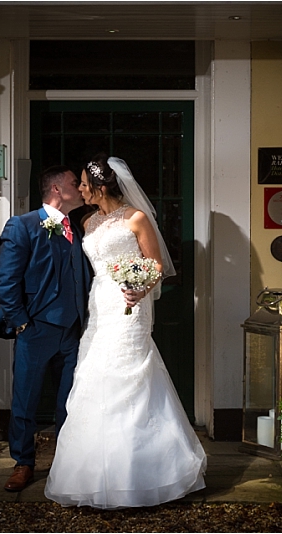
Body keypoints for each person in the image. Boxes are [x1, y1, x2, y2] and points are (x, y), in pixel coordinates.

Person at [44, 154, 206, 509]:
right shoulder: (88, 223)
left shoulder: (136, 218)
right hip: (99, 305)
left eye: (85, 184)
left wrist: (139, 288)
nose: (81, 189)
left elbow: (157, 265)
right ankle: (93, 473)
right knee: (94, 375)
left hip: (129, 305)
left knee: (128, 375)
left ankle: (141, 473)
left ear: (102, 186)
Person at [0, 165, 91, 492]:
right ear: (58, 190)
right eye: (75, 182)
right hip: (35, 328)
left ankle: (66, 459)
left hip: (73, 330)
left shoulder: (77, 227)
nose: (80, 187)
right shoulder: (22, 226)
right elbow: (6, 282)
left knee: (69, 400)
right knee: (25, 400)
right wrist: (20, 322)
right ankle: (23, 462)